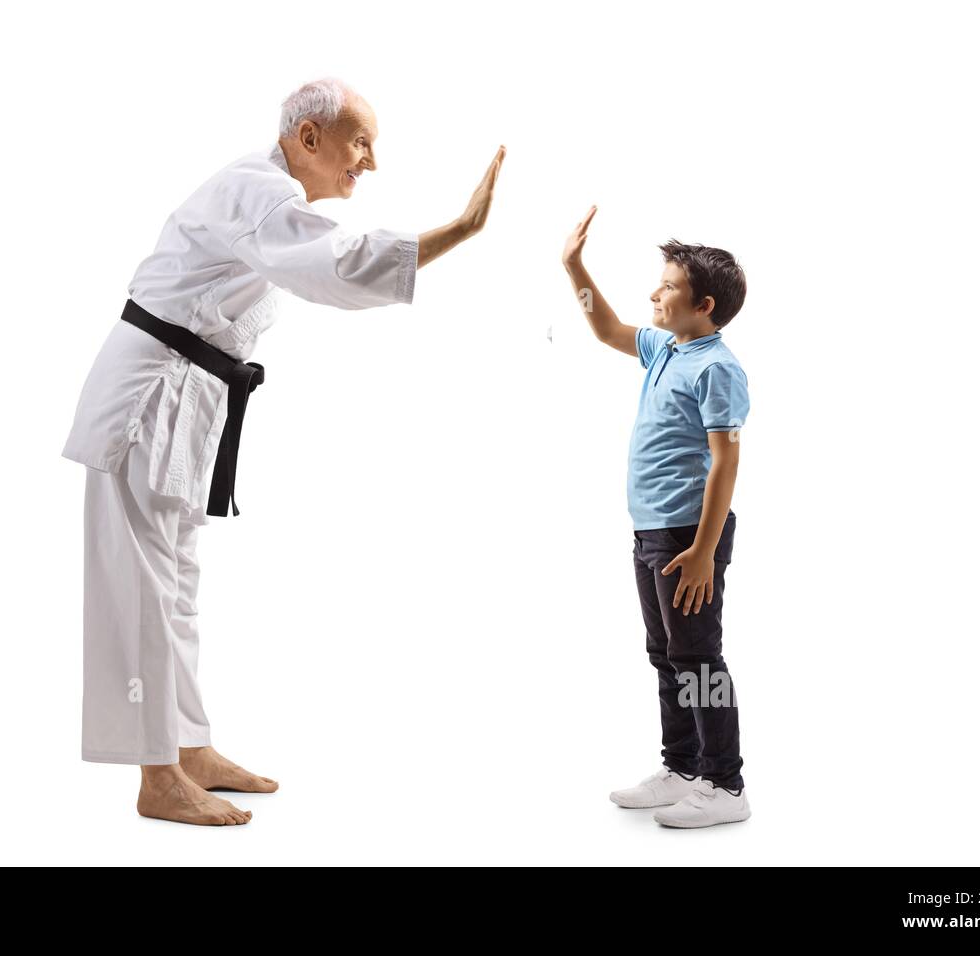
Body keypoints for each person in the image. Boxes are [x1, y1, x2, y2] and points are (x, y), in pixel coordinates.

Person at [61, 77, 505, 826]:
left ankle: (189, 745)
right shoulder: (257, 191)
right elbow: (339, 266)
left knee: (175, 587)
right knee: (141, 589)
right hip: (147, 401)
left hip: (182, 399)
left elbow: (320, 262)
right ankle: (156, 776)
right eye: (359, 141)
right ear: (308, 138)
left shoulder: (268, 199)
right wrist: (461, 228)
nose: (368, 162)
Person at [561, 207, 752, 828]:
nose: (654, 292)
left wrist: (703, 549)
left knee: (700, 657)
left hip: (687, 536)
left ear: (704, 305)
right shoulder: (668, 348)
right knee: (666, 653)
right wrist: (575, 267)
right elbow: (608, 328)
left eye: (667, 286)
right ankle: (683, 767)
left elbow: (725, 462)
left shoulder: (716, 366)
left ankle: (725, 784)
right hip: (651, 533)